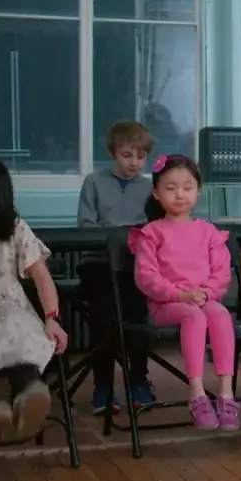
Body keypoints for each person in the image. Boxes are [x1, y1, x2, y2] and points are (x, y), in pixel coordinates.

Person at [0, 155, 69, 442]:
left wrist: (52, 318)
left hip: (7, 307)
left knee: (17, 326)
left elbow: (41, 275)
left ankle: (29, 393)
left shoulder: (13, 227)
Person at [128, 154, 239, 431]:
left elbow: (221, 272)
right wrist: (180, 295)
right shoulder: (152, 232)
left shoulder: (208, 231)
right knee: (194, 316)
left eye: (187, 187)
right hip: (167, 304)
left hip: (203, 298)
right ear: (156, 193)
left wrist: (206, 293)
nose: (180, 194)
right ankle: (197, 393)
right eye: (171, 188)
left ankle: (226, 393)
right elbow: (146, 277)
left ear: (198, 190)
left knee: (220, 313)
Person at [77, 120, 156, 415]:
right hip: (98, 264)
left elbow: (157, 228)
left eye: (140, 156)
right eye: (126, 155)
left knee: (137, 318)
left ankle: (138, 382)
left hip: (136, 265)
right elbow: (85, 226)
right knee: (102, 321)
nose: (134, 162)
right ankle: (103, 387)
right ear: (113, 153)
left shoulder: (150, 188)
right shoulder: (93, 182)